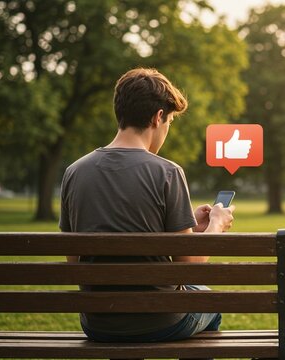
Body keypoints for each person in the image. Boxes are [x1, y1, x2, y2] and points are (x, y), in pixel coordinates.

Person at [59, 68, 234, 342]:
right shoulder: (167, 172)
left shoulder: (75, 171)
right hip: (160, 320)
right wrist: (216, 225)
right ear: (158, 117)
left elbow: (74, 262)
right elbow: (190, 267)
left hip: (99, 322)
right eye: (170, 122)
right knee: (208, 301)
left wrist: (190, 230)